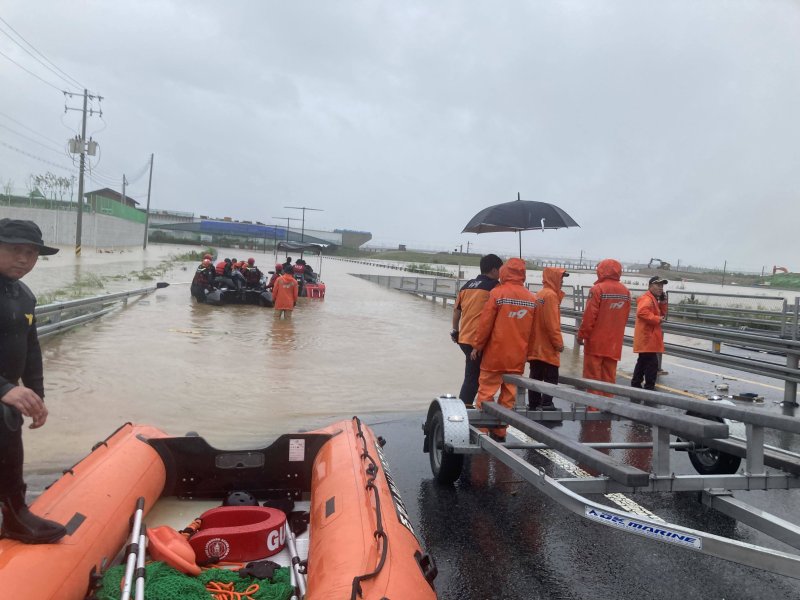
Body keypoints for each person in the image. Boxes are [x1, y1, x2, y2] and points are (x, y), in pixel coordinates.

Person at [0, 219, 67, 544]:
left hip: (6, 400)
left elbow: (31, 347)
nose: (24, 259)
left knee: (11, 454)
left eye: (31, 253)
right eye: (15, 250)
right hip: (3, 393)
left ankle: (14, 515)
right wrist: (5, 389)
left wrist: (36, 395)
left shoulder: (24, 295)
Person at [470, 258, 538, 441]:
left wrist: (477, 346)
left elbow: (485, 325)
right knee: (508, 397)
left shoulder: (497, 293)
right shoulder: (532, 298)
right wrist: (529, 354)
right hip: (516, 358)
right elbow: (534, 332)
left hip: (494, 355)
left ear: (504, 271)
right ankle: (500, 431)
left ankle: (482, 430)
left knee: (486, 393)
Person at [450, 254, 503, 407]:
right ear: (494, 270)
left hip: (464, 338)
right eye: (501, 269)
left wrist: (455, 330)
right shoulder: (495, 287)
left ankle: (468, 406)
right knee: (474, 378)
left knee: (473, 375)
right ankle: (464, 410)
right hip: (479, 341)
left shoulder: (467, 286)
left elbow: (456, 311)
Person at [576, 259, 631, 398]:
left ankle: (593, 410)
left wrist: (582, 335)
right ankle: (607, 408)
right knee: (608, 379)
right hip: (613, 344)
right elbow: (624, 317)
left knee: (592, 378)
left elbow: (589, 316)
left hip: (596, 343)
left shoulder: (597, 289)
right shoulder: (625, 291)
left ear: (601, 271)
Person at [527, 268, 568, 410]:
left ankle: (533, 403)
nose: (562, 282)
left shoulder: (540, 293)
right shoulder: (551, 296)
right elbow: (552, 323)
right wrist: (559, 344)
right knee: (551, 378)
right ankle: (546, 404)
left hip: (536, 345)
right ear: (554, 279)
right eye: (561, 278)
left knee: (536, 376)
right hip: (547, 346)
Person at [632, 276, 668, 390]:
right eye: (658, 285)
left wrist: (662, 302)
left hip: (647, 337)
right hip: (647, 337)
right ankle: (649, 387)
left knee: (642, 362)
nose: (660, 288)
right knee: (652, 364)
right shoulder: (647, 299)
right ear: (650, 286)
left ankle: (636, 384)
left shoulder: (653, 299)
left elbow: (661, 313)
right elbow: (642, 312)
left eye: (662, 286)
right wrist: (657, 319)